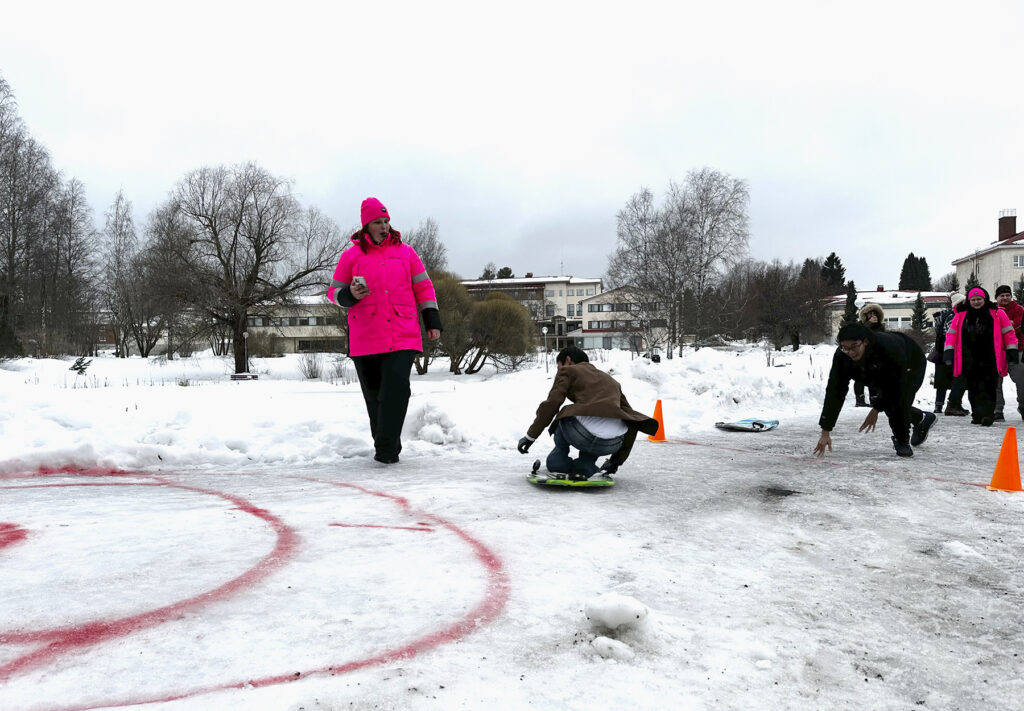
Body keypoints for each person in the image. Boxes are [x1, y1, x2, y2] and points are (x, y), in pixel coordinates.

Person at [327, 197, 442, 464]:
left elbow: (424, 287)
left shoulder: (407, 253)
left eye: (387, 221)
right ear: (366, 225)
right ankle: (385, 446)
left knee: (397, 390)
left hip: (403, 333)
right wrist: (350, 293)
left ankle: (387, 450)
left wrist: (432, 319)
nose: (384, 226)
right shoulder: (351, 256)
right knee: (376, 398)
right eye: (378, 222)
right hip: (365, 337)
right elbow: (333, 293)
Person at [518, 346, 658, 480]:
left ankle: (559, 461)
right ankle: (585, 466)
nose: (558, 370)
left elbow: (552, 404)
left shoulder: (568, 371)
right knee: (598, 420)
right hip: (612, 442)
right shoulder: (612, 381)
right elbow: (630, 419)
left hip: (580, 434)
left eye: (558, 366)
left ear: (568, 360)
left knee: (564, 412)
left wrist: (531, 436)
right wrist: (615, 462)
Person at [814, 323, 934, 458]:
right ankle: (921, 418)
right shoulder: (842, 356)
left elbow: (894, 387)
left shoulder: (887, 348)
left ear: (865, 341)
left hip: (911, 365)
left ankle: (902, 441)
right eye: (845, 348)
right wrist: (825, 431)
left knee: (897, 401)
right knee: (888, 401)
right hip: (876, 371)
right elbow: (835, 391)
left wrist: (875, 409)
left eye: (854, 347)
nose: (850, 352)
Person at [943, 287, 1019, 426]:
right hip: (969, 359)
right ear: (969, 301)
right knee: (973, 388)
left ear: (985, 299)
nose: (976, 302)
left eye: (979, 299)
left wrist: (1012, 349)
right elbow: (951, 335)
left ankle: (988, 414)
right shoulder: (961, 315)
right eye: (973, 300)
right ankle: (977, 414)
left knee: (990, 387)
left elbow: (1009, 333)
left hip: (990, 358)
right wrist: (948, 351)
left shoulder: (997, 313)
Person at [932, 294, 968, 416]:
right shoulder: (954, 316)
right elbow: (953, 334)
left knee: (942, 380)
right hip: (951, 351)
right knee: (957, 378)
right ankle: (953, 405)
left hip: (942, 351)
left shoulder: (946, 315)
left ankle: (939, 405)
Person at [993, 284, 1024, 421]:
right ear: (997, 298)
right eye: (1002, 295)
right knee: (995, 381)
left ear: (1011, 296)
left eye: (1007, 295)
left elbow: (1017, 326)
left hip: (1018, 349)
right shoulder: (992, 310)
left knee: (1021, 379)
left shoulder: (1019, 309)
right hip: (998, 350)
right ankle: (997, 409)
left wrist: (1005, 324)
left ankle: (1023, 406)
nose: (1005, 298)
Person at [853, 303, 885, 407]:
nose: (873, 316)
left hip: (874, 355)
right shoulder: (860, 326)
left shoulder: (880, 327)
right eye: (870, 314)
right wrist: (869, 324)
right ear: (865, 316)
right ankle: (860, 400)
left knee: (874, 377)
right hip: (861, 355)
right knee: (860, 377)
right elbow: (859, 335)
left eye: (875, 313)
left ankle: (874, 399)